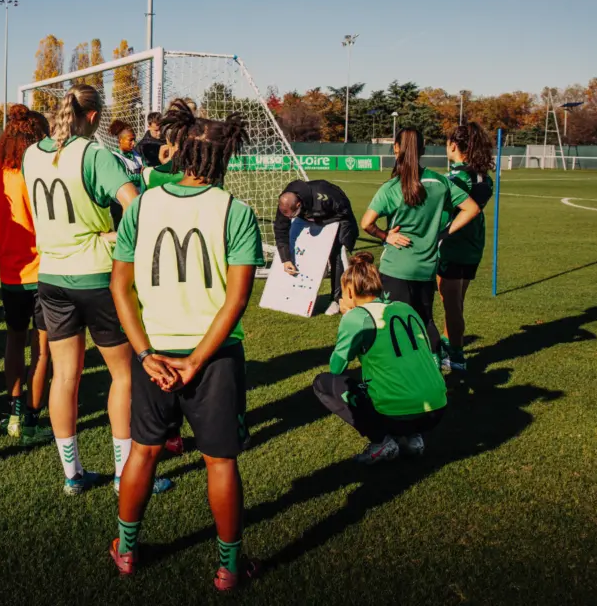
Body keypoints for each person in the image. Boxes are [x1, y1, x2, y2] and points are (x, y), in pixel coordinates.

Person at [108, 103, 262, 591]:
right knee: (220, 461)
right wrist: (195, 360)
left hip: (153, 353)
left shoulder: (143, 205)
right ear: (224, 159)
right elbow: (237, 300)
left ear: (182, 151)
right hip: (213, 357)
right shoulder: (236, 211)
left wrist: (144, 354)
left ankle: (126, 551)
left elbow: (119, 287)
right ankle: (229, 568)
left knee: (143, 453)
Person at [20, 83, 171, 496]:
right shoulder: (93, 153)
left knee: (64, 375)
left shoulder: (31, 155)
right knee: (123, 374)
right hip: (96, 277)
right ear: (91, 117)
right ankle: (124, 474)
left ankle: (72, 475)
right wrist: (117, 238)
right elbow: (135, 204)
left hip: (51, 277)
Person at [312, 251, 447, 463]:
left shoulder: (357, 317)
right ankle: (413, 438)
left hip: (396, 414)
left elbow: (336, 367)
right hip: (437, 409)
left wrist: (348, 315)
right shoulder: (405, 308)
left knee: (323, 383)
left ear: (349, 291)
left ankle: (381, 441)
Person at [359, 128, 481, 353]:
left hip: (396, 267)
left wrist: (386, 236)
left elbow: (366, 223)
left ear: (396, 148)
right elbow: (472, 209)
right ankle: (433, 364)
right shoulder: (440, 182)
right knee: (424, 321)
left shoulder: (392, 187)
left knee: (393, 324)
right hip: (426, 267)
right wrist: (444, 232)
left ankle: (403, 370)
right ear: (423, 150)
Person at [0, 105, 54, 446]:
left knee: (14, 340)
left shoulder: (1, 170)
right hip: (42, 267)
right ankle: (30, 420)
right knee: (41, 349)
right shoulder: (37, 171)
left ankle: (14, 415)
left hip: (10, 270)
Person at [438, 122, 495, 372]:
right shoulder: (483, 177)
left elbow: (448, 209)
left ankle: (457, 356)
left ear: (454, 145)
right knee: (455, 302)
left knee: (451, 305)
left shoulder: (457, 178)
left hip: (453, 245)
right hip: (473, 244)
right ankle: (447, 344)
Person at [274, 178, 358, 315]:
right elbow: (280, 230)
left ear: (299, 204)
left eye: (293, 215)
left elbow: (345, 213)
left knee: (336, 253)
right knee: (301, 247)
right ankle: (296, 293)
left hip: (337, 217)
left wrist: (321, 222)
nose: (290, 218)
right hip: (312, 215)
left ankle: (337, 299)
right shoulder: (285, 203)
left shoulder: (326, 196)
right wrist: (286, 259)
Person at [107, 119, 144, 228]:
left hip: (137, 200)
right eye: (130, 140)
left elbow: (145, 170)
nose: (133, 143)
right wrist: (141, 175)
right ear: (120, 140)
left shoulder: (137, 155)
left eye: (134, 140)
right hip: (120, 205)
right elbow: (124, 178)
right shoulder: (114, 157)